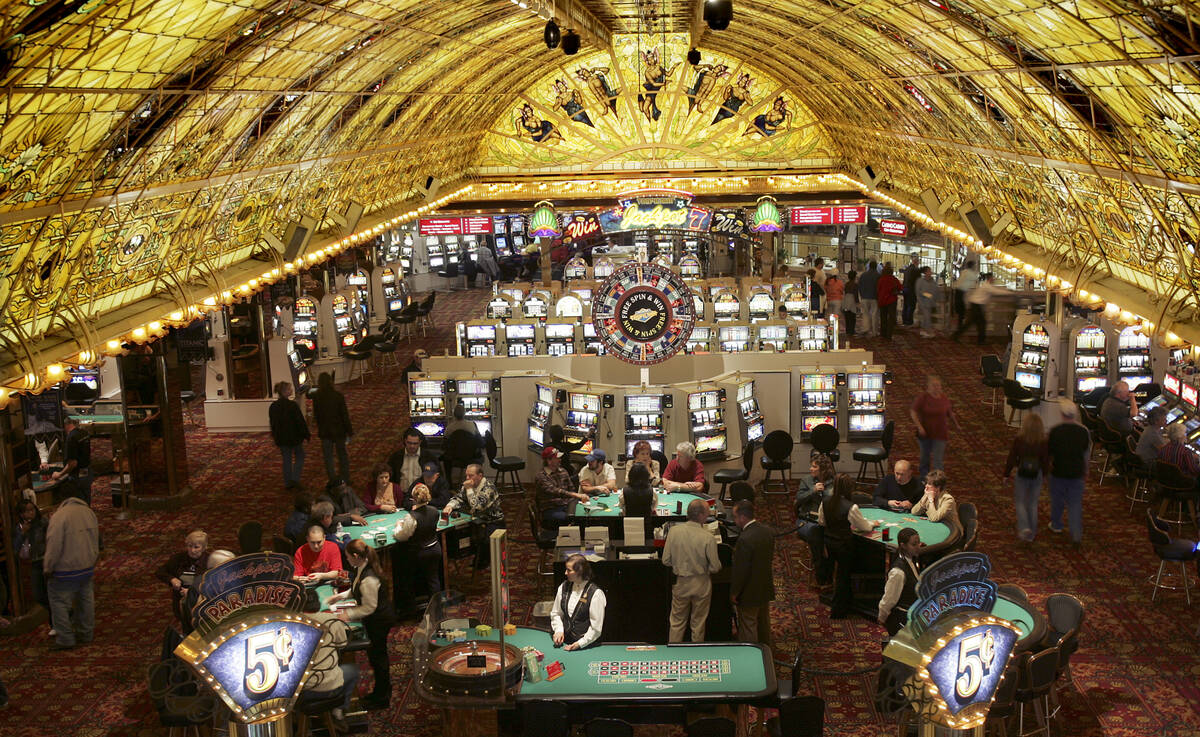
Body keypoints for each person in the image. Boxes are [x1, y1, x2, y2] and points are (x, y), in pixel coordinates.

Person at [329, 540, 396, 710]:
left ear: (356, 556)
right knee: (375, 656)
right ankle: (382, 691)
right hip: (375, 618)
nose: (347, 559)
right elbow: (356, 588)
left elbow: (369, 607)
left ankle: (382, 697)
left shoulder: (370, 579)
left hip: (379, 620)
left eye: (347, 557)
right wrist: (341, 597)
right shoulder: (361, 567)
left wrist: (347, 614)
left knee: (378, 657)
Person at [44, 482, 99, 649]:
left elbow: (53, 545)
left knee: (59, 602)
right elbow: (96, 540)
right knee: (86, 600)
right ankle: (86, 633)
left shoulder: (59, 516)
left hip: (65, 569)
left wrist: (48, 567)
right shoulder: (89, 512)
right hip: (87, 565)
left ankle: (66, 639)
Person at [662, 499, 722, 642]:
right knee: (698, 623)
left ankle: (674, 655)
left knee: (676, 622)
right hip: (701, 584)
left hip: (681, 583)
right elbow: (715, 567)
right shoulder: (708, 537)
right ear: (701, 515)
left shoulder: (674, 531)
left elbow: (665, 560)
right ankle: (697, 656)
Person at [819, 474, 879, 618]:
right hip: (844, 546)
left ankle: (839, 602)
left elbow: (821, 522)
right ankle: (840, 609)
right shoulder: (851, 507)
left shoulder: (825, 501)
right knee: (843, 576)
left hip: (828, 542)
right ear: (849, 489)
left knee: (837, 573)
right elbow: (864, 527)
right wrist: (873, 523)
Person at [298, 597, 356, 731]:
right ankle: (338, 713)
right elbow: (342, 644)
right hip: (331, 688)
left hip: (302, 691)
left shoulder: (291, 624)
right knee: (352, 670)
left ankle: (299, 724)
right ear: (318, 606)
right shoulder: (332, 620)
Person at [443, 463, 505, 569]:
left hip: (492, 521)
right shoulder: (467, 486)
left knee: (482, 541)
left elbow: (476, 507)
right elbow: (459, 498)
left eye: (471, 475)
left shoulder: (488, 488)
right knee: (455, 535)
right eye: (466, 475)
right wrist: (450, 506)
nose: (467, 478)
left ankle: (484, 561)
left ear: (480, 476)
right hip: (477, 519)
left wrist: (469, 490)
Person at [1047, 399, 1091, 546]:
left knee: (1057, 501)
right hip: (1077, 472)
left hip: (1058, 471)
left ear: (1062, 413)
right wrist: (1086, 470)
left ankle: (1057, 525)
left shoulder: (1055, 431)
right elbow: (1086, 453)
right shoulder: (1083, 431)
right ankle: (1076, 534)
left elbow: (1050, 453)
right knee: (1075, 504)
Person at [730, 500, 774, 645]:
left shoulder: (744, 539)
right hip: (765, 586)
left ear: (742, 517)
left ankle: (751, 655)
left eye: (735, 517)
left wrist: (735, 592)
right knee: (763, 623)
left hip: (749, 591)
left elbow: (741, 570)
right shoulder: (767, 531)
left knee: (748, 625)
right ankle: (766, 651)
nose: (734, 521)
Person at [394, 483, 442, 608]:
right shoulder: (435, 511)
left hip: (419, 553)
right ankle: (437, 608)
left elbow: (401, 536)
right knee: (433, 579)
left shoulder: (411, 517)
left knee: (407, 579)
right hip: (435, 549)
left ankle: (409, 608)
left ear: (413, 499)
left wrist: (399, 525)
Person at [1004, 414, 1050, 543]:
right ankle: (1032, 534)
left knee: (1020, 502)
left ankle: (1024, 527)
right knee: (1033, 504)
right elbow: (1046, 460)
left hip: (1022, 473)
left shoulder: (1020, 439)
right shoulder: (1044, 441)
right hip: (1037, 474)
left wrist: (1006, 474)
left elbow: (1012, 457)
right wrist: (1045, 475)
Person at [551, 554, 607, 651]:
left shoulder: (596, 594)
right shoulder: (563, 587)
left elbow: (596, 629)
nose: (565, 573)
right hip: (563, 642)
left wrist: (579, 644)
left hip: (586, 645)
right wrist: (559, 630)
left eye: (569, 570)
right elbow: (556, 613)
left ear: (579, 572)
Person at [155, 530, 210, 624]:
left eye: (196, 547)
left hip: (203, 603)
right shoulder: (178, 559)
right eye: (189, 546)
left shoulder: (209, 561)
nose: (192, 550)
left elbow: (213, 584)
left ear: (204, 547)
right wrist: (171, 579)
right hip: (181, 602)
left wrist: (193, 593)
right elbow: (160, 572)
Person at [911, 376, 960, 477]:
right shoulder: (923, 398)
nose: (936, 388)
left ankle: (938, 481)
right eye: (934, 385)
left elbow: (949, 412)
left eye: (938, 385)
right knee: (925, 457)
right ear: (928, 386)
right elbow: (913, 412)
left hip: (940, 433)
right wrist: (919, 427)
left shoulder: (944, 398)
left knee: (938, 459)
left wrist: (956, 424)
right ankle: (924, 479)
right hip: (925, 433)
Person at [877, 528, 921, 636]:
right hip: (902, 620)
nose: (918, 546)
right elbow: (889, 599)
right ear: (903, 546)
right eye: (914, 544)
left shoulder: (911, 559)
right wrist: (881, 618)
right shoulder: (898, 572)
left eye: (918, 543)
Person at [311, 372, 353, 485]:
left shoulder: (317, 397)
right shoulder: (338, 396)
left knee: (328, 457)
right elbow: (344, 415)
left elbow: (317, 416)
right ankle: (345, 478)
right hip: (339, 430)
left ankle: (332, 479)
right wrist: (349, 431)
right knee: (342, 455)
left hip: (325, 431)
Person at [535, 447, 588, 529]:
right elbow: (556, 491)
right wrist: (576, 495)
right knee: (576, 519)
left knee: (585, 515)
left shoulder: (563, 471)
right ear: (549, 461)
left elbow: (571, 488)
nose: (560, 459)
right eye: (557, 458)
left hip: (566, 504)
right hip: (551, 509)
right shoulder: (541, 476)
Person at [269, 381, 309, 488]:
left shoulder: (273, 406)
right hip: (294, 437)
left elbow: (273, 424)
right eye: (289, 389)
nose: (291, 390)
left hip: (282, 438)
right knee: (300, 456)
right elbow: (300, 422)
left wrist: (275, 437)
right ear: (284, 392)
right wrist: (306, 435)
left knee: (286, 459)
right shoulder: (292, 406)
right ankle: (295, 479)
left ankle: (288, 482)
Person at [14, 499, 50, 619]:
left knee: (51, 592)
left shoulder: (43, 522)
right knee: (38, 595)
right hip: (34, 562)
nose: (30, 513)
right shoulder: (20, 527)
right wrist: (23, 533)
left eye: (32, 509)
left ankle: (55, 622)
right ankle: (58, 612)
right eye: (26, 511)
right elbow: (15, 547)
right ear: (21, 514)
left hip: (46, 559)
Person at [952, 273, 1006, 344]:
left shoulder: (985, 285)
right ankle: (980, 340)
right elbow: (997, 291)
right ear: (989, 278)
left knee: (971, 323)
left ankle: (956, 336)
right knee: (981, 323)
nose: (994, 279)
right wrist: (1010, 293)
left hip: (975, 305)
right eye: (993, 278)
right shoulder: (987, 286)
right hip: (976, 305)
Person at [51, 417, 91, 504]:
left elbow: (73, 463)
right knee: (86, 499)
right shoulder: (84, 433)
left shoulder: (71, 438)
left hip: (77, 475)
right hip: (86, 471)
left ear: (65, 425)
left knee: (78, 501)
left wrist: (60, 474)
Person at [388, 428, 437, 495]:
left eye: (415, 443)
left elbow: (438, 478)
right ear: (405, 441)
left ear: (420, 442)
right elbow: (390, 477)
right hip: (401, 494)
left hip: (423, 495)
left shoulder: (429, 457)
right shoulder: (396, 457)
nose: (412, 446)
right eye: (409, 443)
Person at [618, 461, 658, 535]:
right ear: (647, 476)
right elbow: (653, 507)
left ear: (630, 475)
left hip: (628, 527)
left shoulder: (624, 491)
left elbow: (621, 506)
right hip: (647, 527)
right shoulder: (652, 491)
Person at [876, 264, 902, 340]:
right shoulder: (894, 279)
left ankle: (883, 333)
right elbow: (900, 287)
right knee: (891, 318)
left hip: (882, 300)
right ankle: (889, 335)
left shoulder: (881, 279)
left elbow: (878, 289)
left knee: (883, 317)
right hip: (891, 300)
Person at [952, 259, 979, 329]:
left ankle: (960, 325)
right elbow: (976, 278)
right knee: (962, 310)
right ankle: (960, 326)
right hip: (960, 292)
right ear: (972, 266)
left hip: (958, 291)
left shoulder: (964, 272)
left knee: (961, 310)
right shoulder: (970, 273)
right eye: (974, 266)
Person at [858, 260, 880, 336]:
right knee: (874, 315)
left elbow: (859, 286)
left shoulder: (863, 275)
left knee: (865, 314)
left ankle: (866, 329)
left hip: (864, 297)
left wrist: (862, 295)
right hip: (874, 297)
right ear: (876, 267)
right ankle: (874, 332)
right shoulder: (878, 275)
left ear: (869, 266)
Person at [915, 266, 938, 337]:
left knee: (926, 317)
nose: (930, 272)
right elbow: (918, 291)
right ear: (925, 272)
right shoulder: (920, 281)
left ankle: (923, 330)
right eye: (928, 271)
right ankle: (928, 331)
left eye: (930, 271)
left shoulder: (932, 281)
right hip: (923, 302)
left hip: (930, 302)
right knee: (927, 316)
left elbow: (935, 290)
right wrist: (927, 295)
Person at [901, 253, 922, 326]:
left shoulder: (907, 269)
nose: (919, 263)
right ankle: (909, 322)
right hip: (912, 290)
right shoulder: (916, 270)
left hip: (905, 289)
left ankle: (904, 321)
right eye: (918, 261)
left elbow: (905, 280)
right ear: (916, 262)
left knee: (905, 305)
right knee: (911, 306)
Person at [842, 270, 859, 335]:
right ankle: (852, 330)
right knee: (852, 317)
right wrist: (857, 302)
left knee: (847, 316)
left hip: (846, 300)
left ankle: (848, 330)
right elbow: (856, 294)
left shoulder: (846, 284)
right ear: (854, 277)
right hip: (852, 300)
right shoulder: (855, 285)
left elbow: (845, 292)